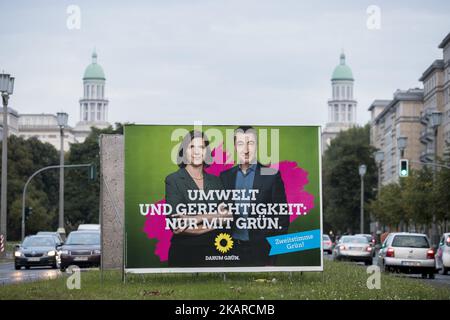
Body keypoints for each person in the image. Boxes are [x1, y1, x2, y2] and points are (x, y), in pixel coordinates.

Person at [220, 126, 289, 266]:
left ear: (256, 145)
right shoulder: (225, 177)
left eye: (250, 143)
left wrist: (273, 254)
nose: (245, 149)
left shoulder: (271, 175)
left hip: (262, 252)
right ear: (235, 146)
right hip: (231, 249)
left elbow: (282, 218)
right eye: (240, 144)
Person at [165, 130, 227, 267]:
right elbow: (178, 224)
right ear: (184, 151)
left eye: (202, 147)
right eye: (192, 147)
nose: (197, 152)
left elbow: (228, 217)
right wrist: (216, 217)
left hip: (215, 251)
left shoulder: (216, 181)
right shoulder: (173, 180)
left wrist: (194, 220)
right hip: (185, 252)